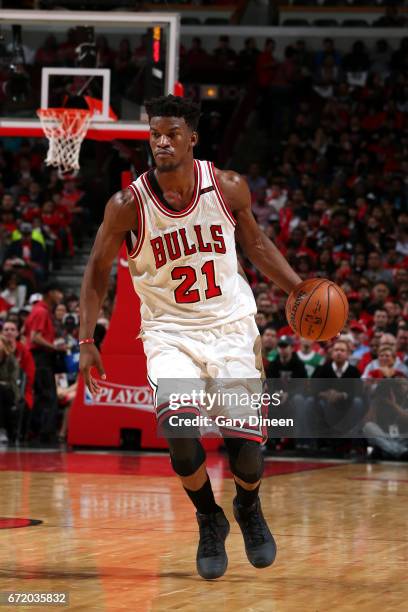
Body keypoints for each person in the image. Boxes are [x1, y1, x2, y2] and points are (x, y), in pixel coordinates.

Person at [79, 95, 303, 580]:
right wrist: (85, 339)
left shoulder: (226, 187)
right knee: (180, 433)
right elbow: (97, 272)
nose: (161, 141)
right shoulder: (127, 205)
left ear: (192, 138)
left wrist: (300, 290)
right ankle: (208, 516)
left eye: (172, 133)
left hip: (230, 327)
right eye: (155, 133)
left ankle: (247, 506)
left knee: (245, 448)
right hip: (169, 332)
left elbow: (258, 246)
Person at [24, 282, 66, 442]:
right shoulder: (41, 311)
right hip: (40, 358)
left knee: (42, 395)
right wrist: (54, 347)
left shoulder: (39, 311)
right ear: (50, 293)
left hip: (38, 358)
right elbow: (35, 337)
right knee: (47, 396)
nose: (60, 296)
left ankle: (36, 431)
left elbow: (26, 333)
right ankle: (45, 434)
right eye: (58, 292)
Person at [0, 335, 20, 444]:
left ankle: (2, 430)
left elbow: (13, 380)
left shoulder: (11, 360)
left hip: (9, 391)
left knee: (1, 391)